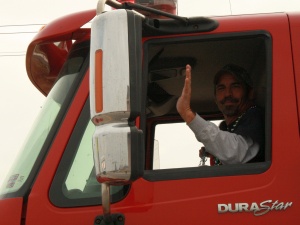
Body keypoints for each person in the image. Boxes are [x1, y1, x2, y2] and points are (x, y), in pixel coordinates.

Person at [176, 64, 265, 165]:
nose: (228, 94)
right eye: (221, 88)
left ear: (250, 93)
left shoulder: (254, 115)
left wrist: (188, 114)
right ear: (215, 99)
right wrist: (214, 152)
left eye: (235, 86)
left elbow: (235, 153)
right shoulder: (229, 127)